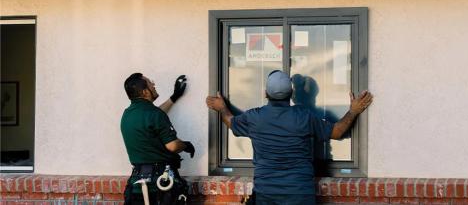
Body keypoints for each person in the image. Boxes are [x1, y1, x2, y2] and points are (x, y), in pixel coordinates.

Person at [206, 70, 373, 205]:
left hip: (266, 193)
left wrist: (221, 108)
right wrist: (353, 111)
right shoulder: (304, 116)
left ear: (265, 93)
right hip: (300, 193)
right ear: (291, 93)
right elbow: (337, 132)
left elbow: (230, 121)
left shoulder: (254, 117)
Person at [121, 73, 195, 205]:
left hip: (137, 184)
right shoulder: (155, 114)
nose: (154, 85)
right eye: (150, 83)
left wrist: (174, 97)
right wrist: (185, 145)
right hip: (161, 185)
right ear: (145, 92)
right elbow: (172, 145)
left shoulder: (127, 115)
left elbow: (151, 119)